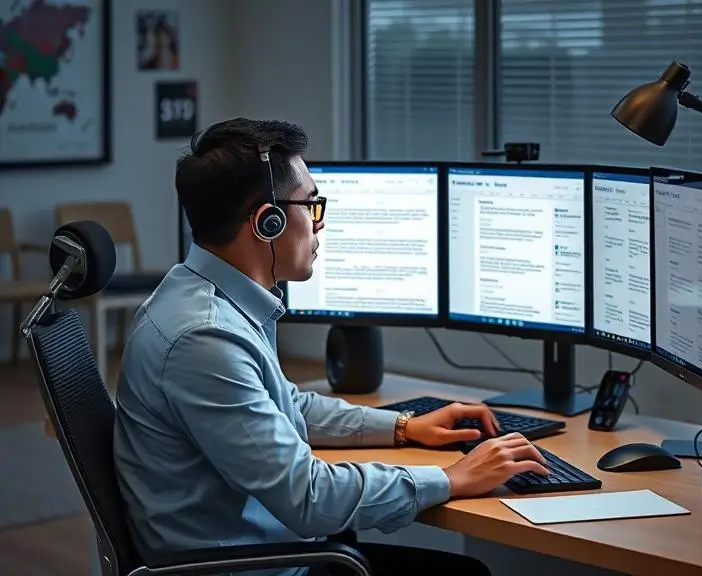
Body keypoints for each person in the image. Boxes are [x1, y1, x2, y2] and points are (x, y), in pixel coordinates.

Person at [113, 118, 550, 576]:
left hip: (261, 549)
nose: (320, 223)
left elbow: (287, 406)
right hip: (251, 567)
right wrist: (449, 478)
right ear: (268, 221)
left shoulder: (205, 298)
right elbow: (308, 497)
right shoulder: (204, 338)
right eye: (313, 206)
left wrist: (404, 426)